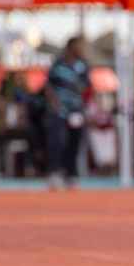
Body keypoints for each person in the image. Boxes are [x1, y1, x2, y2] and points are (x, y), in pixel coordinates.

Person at [46, 36, 92, 189]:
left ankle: (71, 175)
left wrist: (85, 105)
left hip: (76, 110)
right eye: (79, 45)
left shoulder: (82, 65)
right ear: (70, 46)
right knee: (57, 141)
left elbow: (89, 86)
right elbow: (48, 85)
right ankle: (54, 173)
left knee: (75, 141)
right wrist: (54, 102)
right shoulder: (58, 64)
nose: (81, 48)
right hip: (60, 110)